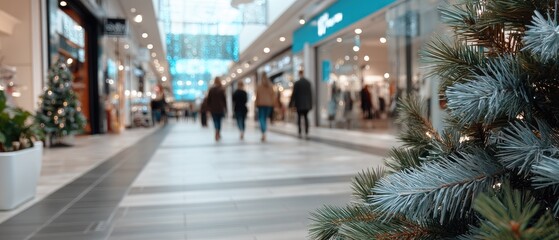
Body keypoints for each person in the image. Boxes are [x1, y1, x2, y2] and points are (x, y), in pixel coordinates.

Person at [289, 70, 313, 139]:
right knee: (306, 117)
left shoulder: (297, 83)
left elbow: (294, 94)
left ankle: (300, 132)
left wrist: (291, 104)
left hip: (299, 104)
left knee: (299, 118)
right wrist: (310, 104)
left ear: (299, 74)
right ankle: (306, 132)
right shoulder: (308, 83)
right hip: (306, 104)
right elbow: (310, 94)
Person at [255, 73, 276, 142]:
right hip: (269, 104)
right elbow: (273, 95)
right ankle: (264, 132)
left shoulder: (259, 86)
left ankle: (263, 132)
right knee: (265, 118)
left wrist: (256, 104)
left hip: (261, 104)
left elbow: (257, 96)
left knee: (261, 118)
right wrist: (273, 104)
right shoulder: (270, 85)